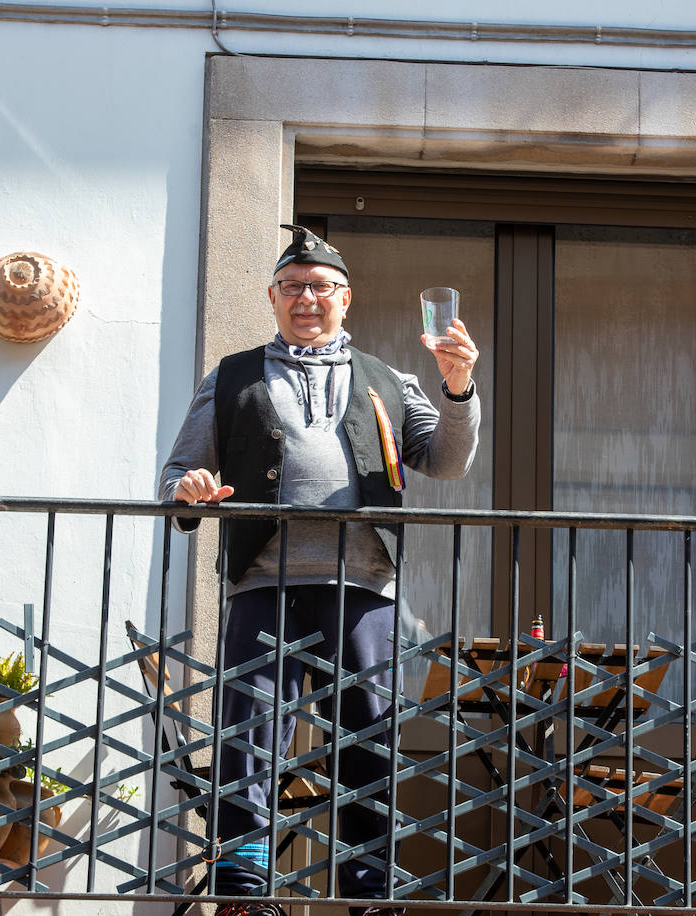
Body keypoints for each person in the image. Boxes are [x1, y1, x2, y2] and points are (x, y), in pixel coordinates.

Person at [158, 225, 480, 916]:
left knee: (368, 740)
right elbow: (177, 476)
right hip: (262, 583)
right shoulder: (232, 376)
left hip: (363, 587)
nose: (307, 298)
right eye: (293, 287)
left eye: (321, 287)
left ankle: (371, 896)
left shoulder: (385, 378)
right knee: (248, 741)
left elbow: (445, 461)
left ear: (347, 299)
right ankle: (243, 892)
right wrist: (187, 493)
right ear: (272, 299)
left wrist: (458, 389)